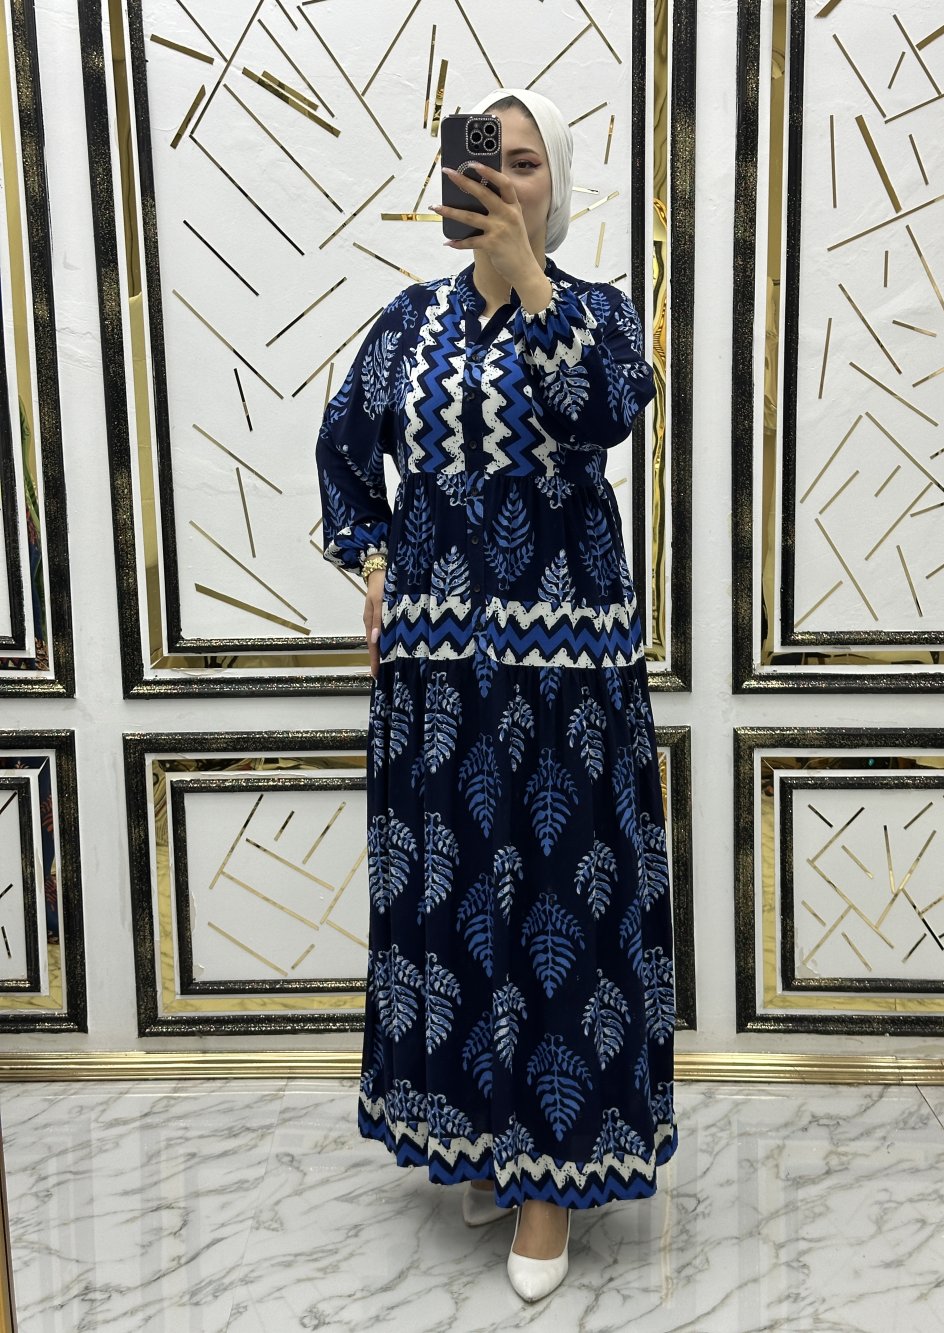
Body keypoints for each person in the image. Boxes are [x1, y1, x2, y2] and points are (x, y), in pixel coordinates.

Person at [316, 87, 676, 1303]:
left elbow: (601, 413)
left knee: (559, 912)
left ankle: (550, 1180)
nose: (503, 180)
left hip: (564, 673)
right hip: (433, 674)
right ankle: (480, 1130)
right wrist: (374, 562)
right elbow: (344, 445)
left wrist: (527, 280)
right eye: (486, 161)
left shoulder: (596, 313)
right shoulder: (408, 322)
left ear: (554, 184)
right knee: (458, 902)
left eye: (526, 164)